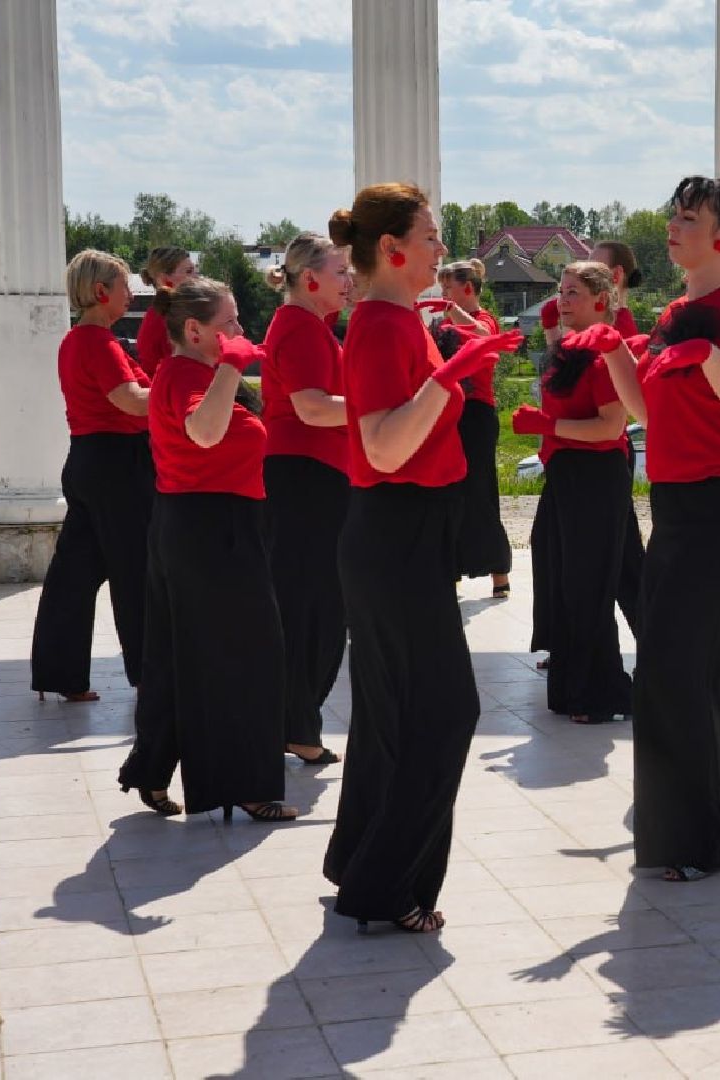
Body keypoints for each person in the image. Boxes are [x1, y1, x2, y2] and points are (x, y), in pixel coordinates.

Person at [569, 176, 720, 882]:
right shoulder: (674, 313)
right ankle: (685, 838)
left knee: (688, 676)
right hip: (677, 510)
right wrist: (612, 351)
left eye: (688, 218)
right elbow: (649, 413)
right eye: (672, 214)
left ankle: (709, 840)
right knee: (669, 676)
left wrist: (712, 358)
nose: (672, 226)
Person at [320, 182, 522, 933]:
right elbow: (381, 444)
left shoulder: (396, 317)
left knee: (391, 714)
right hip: (393, 534)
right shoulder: (377, 324)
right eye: (430, 238)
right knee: (444, 714)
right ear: (394, 251)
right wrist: (452, 372)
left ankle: (357, 859)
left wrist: (452, 362)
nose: (441, 249)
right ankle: (379, 885)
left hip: (402, 536)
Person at [116, 277, 297, 823]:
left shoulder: (192, 372)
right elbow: (205, 431)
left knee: (181, 657)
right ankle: (243, 784)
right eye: (229, 323)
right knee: (248, 656)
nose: (240, 332)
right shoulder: (185, 375)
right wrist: (232, 367)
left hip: (202, 524)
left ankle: (151, 771)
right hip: (210, 527)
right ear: (194, 331)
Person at [512, 261, 637, 724]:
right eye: (561, 292)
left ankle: (601, 694)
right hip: (565, 473)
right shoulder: (566, 349)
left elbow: (611, 426)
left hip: (596, 474)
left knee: (588, 585)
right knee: (561, 578)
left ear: (600, 302)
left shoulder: (604, 356)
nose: (562, 301)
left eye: (573, 293)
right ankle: (572, 689)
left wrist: (549, 426)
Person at [30, 250, 154, 703]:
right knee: (134, 570)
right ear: (102, 292)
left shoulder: (80, 340)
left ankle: (61, 673)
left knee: (75, 574)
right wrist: (186, 389)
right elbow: (131, 400)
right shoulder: (99, 344)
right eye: (124, 286)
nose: (131, 294)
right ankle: (150, 675)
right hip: (116, 465)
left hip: (89, 461)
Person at [261, 233, 353, 767]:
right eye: (341, 271)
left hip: (313, 476)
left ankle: (297, 722)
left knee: (317, 606)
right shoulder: (298, 327)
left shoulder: (309, 325)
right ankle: (296, 724)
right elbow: (313, 408)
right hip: (305, 478)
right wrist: (382, 404)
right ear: (311, 278)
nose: (349, 281)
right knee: (310, 608)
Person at [432, 258, 513, 597]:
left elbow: (483, 338)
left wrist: (452, 311)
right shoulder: (444, 322)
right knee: (450, 493)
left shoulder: (483, 319)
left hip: (477, 412)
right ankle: (451, 568)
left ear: (467, 289)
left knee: (480, 490)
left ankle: (498, 570)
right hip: (449, 412)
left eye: (447, 288)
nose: (442, 295)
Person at [135, 247, 197, 378]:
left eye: (195, 270)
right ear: (165, 280)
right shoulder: (165, 319)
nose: (196, 276)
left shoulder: (167, 314)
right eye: (189, 271)